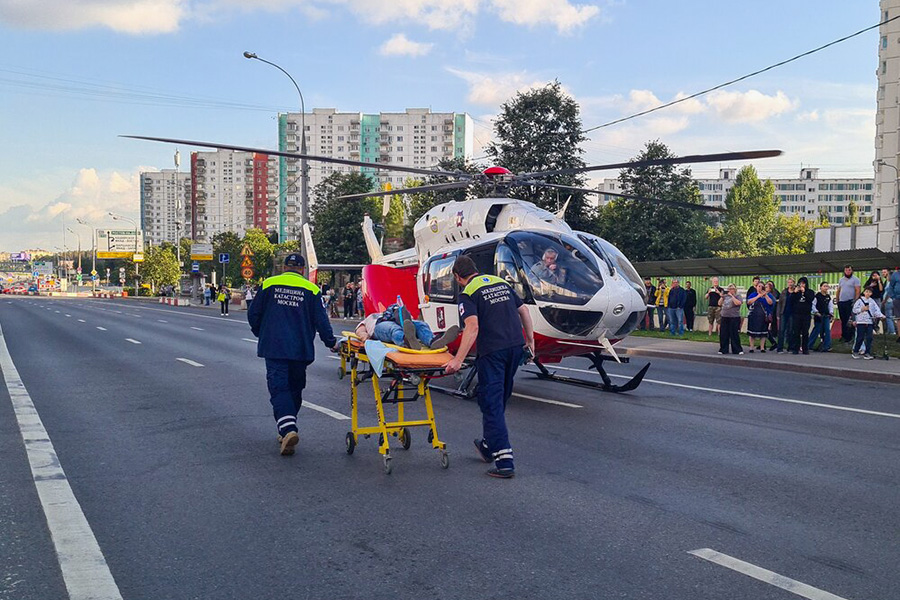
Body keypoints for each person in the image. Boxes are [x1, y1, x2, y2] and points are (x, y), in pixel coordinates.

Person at [443, 256, 534, 479]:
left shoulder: (467, 294)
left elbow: (472, 327)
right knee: (499, 398)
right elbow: (524, 311)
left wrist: (457, 360)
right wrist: (530, 341)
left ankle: (504, 461)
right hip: (515, 346)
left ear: (457, 276)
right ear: (475, 269)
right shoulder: (500, 282)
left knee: (491, 403)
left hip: (493, 352)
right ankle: (487, 445)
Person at [247, 253, 338, 456]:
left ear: (284, 267)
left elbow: (253, 314)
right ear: (302, 270)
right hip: (300, 349)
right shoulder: (311, 289)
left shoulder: (269, 284)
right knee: (295, 389)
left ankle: (288, 429)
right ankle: (286, 427)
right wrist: (331, 342)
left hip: (275, 347)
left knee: (279, 389)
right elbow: (321, 321)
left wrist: (261, 333)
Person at [355, 303, 459, 350]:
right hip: (379, 327)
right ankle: (405, 341)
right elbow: (359, 330)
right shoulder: (371, 318)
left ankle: (432, 341)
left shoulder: (387, 313)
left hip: (398, 322)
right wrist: (365, 337)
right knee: (393, 329)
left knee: (420, 324)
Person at [851, 286, 884, 360]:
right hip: (861, 322)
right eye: (866, 291)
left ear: (871, 293)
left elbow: (876, 310)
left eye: (869, 292)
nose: (868, 293)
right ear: (864, 292)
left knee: (869, 338)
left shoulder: (872, 301)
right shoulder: (859, 301)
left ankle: (867, 352)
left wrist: (881, 315)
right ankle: (856, 351)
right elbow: (854, 310)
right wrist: (861, 309)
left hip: (869, 321)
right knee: (860, 337)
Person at [789, 276, 815, 355]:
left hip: (806, 315)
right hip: (796, 314)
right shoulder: (796, 292)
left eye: (803, 283)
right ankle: (795, 348)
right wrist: (794, 293)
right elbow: (790, 301)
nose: (802, 285)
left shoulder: (810, 292)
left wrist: (804, 292)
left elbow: (810, 299)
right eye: (800, 283)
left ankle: (805, 349)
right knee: (796, 332)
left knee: (805, 332)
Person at [746, 282, 774, 352]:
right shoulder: (753, 294)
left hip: (763, 316)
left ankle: (762, 347)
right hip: (753, 315)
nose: (760, 288)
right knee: (752, 333)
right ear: (756, 287)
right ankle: (751, 347)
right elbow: (749, 302)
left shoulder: (767, 295)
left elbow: (770, 302)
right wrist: (758, 296)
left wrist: (765, 295)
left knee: (763, 333)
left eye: (762, 286)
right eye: (759, 286)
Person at [836, 265, 861, 343]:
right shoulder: (841, 280)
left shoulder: (856, 279)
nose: (847, 271)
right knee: (843, 319)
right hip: (842, 302)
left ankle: (850, 336)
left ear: (852, 271)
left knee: (849, 320)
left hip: (850, 302)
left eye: (849, 270)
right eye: (846, 270)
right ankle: (843, 335)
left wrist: (855, 301)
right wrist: (837, 300)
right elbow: (839, 290)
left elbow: (858, 290)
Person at [718, 284, 743, 355]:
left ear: (735, 290)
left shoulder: (738, 296)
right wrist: (722, 297)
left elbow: (738, 303)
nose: (730, 290)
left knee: (734, 334)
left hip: (734, 317)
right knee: (723, 334)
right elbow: (719, 303)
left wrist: (732, 296)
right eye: (729, 289)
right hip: (725, 316)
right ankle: (723, 349)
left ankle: (737, 349)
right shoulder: (725, 296)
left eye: (732, 289)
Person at [809, 282, 834, 352]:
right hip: (819, 315)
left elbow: (830, 306)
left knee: (827, 330)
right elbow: (813, 305)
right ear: (820, 287)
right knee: (816, 330)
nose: (825, 288)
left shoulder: (828, 297)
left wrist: (831, 313)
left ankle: (827, 346)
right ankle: (809, 345)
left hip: (826, 316)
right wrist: (816, 312)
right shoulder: (817, 296)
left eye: (827, 286)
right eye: (824, 286)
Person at [776, 278, 795, 353]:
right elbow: (780, 303)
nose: (790, 284)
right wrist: (778, 314)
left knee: (790, 330)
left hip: (792, 313)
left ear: (794, 283)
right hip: (783, 312)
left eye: (791, 282)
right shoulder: (784, 292)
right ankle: (780, 347)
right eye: (789, 282)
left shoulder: (796, 291)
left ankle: (790, 347)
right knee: (781, 330)